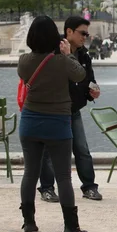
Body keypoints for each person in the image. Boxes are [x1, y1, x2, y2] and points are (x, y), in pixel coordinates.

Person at [17, 15, 88, 232]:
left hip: (30, 121)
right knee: (64, 177)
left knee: (30, 173)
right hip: (57, 122)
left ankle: (29, 222)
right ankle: (70, 226)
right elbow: (80, 74)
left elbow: (25, 76)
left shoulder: (24, 61)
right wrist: (67, 55)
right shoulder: (62, 61)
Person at [38, 16, 103, 203]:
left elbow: (88, 78)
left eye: (87, 34)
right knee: (49, 152)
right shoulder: (53, 51)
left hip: (73, 109)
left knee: (82, 149)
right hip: (54, 110)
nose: (85, 37)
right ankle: (47, 188)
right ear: (69, 32)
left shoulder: (83, 55)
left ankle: (89, 187)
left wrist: (92, 92)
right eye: (83, 33)